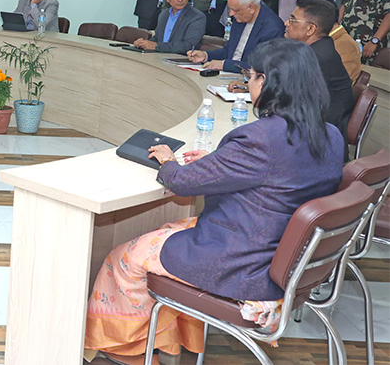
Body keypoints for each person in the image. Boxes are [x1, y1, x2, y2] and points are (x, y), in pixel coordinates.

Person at [85, 38, 344, 365]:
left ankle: (124, 352)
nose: (248, 83)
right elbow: (278, 177)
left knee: (124, 258)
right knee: (168, 228)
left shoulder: (260, 138)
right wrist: (219, 162)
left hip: (242, 263)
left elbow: (181, 183)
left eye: (250, 76)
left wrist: (168, 161)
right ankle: (166, 342)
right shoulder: (331, 135)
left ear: (265, 82)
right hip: (286, 259)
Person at [284, 0, 355, 148]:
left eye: (292, 20)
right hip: (309, 131)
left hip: (320, 143)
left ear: (310, 29)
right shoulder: (316, 49)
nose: (286, 23)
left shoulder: (318, 57)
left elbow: (292, 101)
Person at [187, 0, 284, 73]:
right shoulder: (241, 18)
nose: (231, 14)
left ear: (251, 8)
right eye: (230, 9)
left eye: (235, 10)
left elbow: (262, 67)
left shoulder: (272, 28)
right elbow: (229, 51)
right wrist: (206, 56)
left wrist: (224, 65)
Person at [133, 0, 205, 54]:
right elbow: (158, 39)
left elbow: (188, 46)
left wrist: (157, 46)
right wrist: (143, 43)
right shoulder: (164, 14)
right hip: (159, 57)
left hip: (179, 59)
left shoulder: (197, 17)